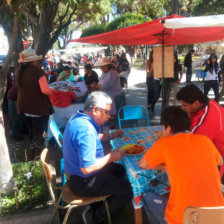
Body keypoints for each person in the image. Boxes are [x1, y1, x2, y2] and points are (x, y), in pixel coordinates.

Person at [139, 106, 224, 224]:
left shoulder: (164, 143)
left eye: (162, 129)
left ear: (168, 128)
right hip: (217, 216)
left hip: (183, 218)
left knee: (146, 197)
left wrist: (163, 167)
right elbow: (220, 162)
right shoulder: (205, 140)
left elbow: (143, 164)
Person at [63, 91, 133, 224]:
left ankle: (100, 204)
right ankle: (95, 217)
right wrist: (111, 157)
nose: (109, 116)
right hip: (83, 181)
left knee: (119, 170)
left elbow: (93, 139)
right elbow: (87, 168)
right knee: (127, 190)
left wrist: (110, 136)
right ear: (95, 110)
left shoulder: (78, 119)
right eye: (106, 112)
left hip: (74, 175)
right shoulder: (86, 130)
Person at [17, 49, 54, 150]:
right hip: (36, 108)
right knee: (37, 134)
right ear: (32, 61)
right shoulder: (38, 72)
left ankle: (32, 153)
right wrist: (53, 90)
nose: (37, 61)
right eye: (36, 60)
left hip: (23, 107)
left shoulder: (20, 71)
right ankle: (36, 156)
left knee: (32, 132)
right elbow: (45, 90)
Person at [176, 84, 224, 157]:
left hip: (217, 158)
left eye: (185, 105)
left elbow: (190, 144)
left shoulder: (208, 118)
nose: (182, 108)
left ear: (196, 103)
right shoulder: (207, 103)